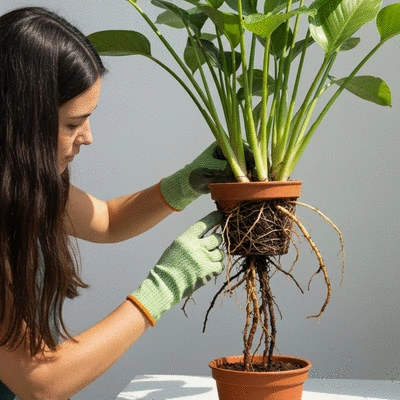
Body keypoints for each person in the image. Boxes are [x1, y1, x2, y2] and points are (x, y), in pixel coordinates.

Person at [0, 7, 232, 399]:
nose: (87, 137)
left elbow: (107, 220)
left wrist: (186, 182)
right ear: (19, 119)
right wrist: (162, 289)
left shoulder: (22, 188)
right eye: (73, 123)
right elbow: (40, 382)